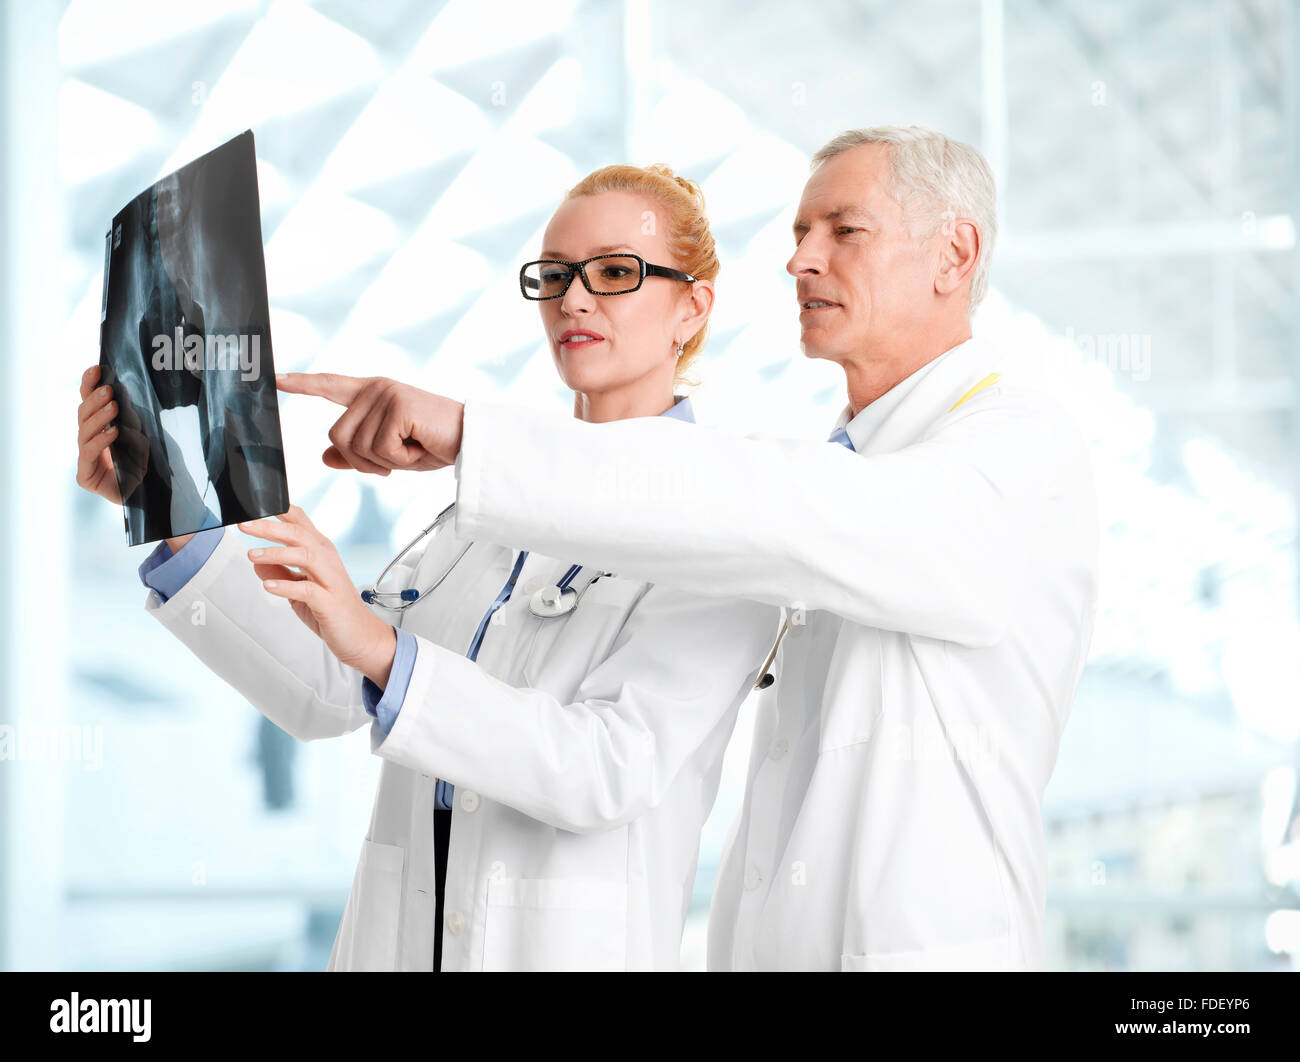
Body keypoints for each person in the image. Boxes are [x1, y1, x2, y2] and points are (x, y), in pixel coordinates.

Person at [276, 126, 1101, 971]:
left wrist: (471, 438)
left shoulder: (1016, 447)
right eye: (797, 235)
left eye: (843, 231)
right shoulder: (824, 471)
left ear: (954, 253)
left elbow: (780, 515)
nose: (800, 261)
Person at [75, 163, 779, 971]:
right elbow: (328, 691)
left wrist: (379, 645)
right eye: (554, 276)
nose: (572, 300)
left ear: (693, 306)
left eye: (615, 273)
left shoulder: (730, 520)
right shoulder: (497, 504)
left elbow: (607, 770)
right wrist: (168, 511)